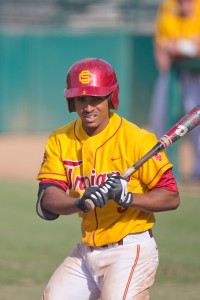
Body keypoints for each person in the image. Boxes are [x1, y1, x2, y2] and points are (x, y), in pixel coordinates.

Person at [36, 58, 180, 300]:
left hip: (130, 250)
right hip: (86, 252)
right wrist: (79, 202)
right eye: (82, 99)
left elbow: (171, 197)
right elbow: (47, 197)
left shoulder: (137, 139)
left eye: (97, 99)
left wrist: (128, 197)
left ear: (111, 98)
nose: (88, 107)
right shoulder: (60, 139)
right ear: (72, 101)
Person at [149, 0, 200, 180]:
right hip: (173, 72)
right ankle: (158, 167)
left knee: (195, 119)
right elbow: (160, 43)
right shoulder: (168, 5)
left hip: (196, 74)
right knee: (159, 117)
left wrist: (180, 46)